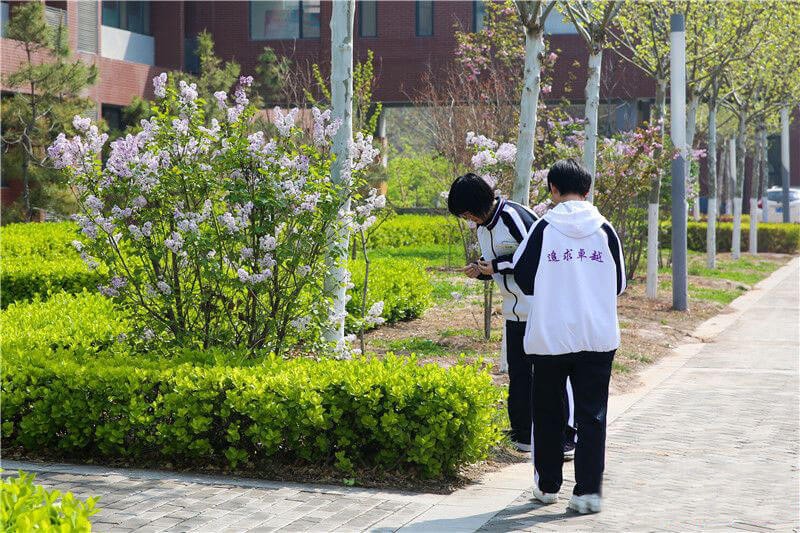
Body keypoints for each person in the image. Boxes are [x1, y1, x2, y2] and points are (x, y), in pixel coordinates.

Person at [483, 158, 626, 514]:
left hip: (550, 337)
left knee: (547, 412)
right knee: (592, 415)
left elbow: (525, 278)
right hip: (596, 338)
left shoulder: (544, 228)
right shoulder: (605, 229)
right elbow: (620, 284)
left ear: (553, 191)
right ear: (588, 190)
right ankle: (588, 493)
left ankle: (547, 487)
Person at [447, 173, 576, 456]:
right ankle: (523, 434)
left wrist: (495, 266)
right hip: (513, 312)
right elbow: (500, 267)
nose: (468, 219)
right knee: (519, 375)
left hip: (540, 308)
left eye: (467, 212)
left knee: (550, 374)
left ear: (479, 202)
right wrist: (481, 271)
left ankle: (567, 436)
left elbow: (537, 258)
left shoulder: (514, 217)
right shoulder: (483, 230)